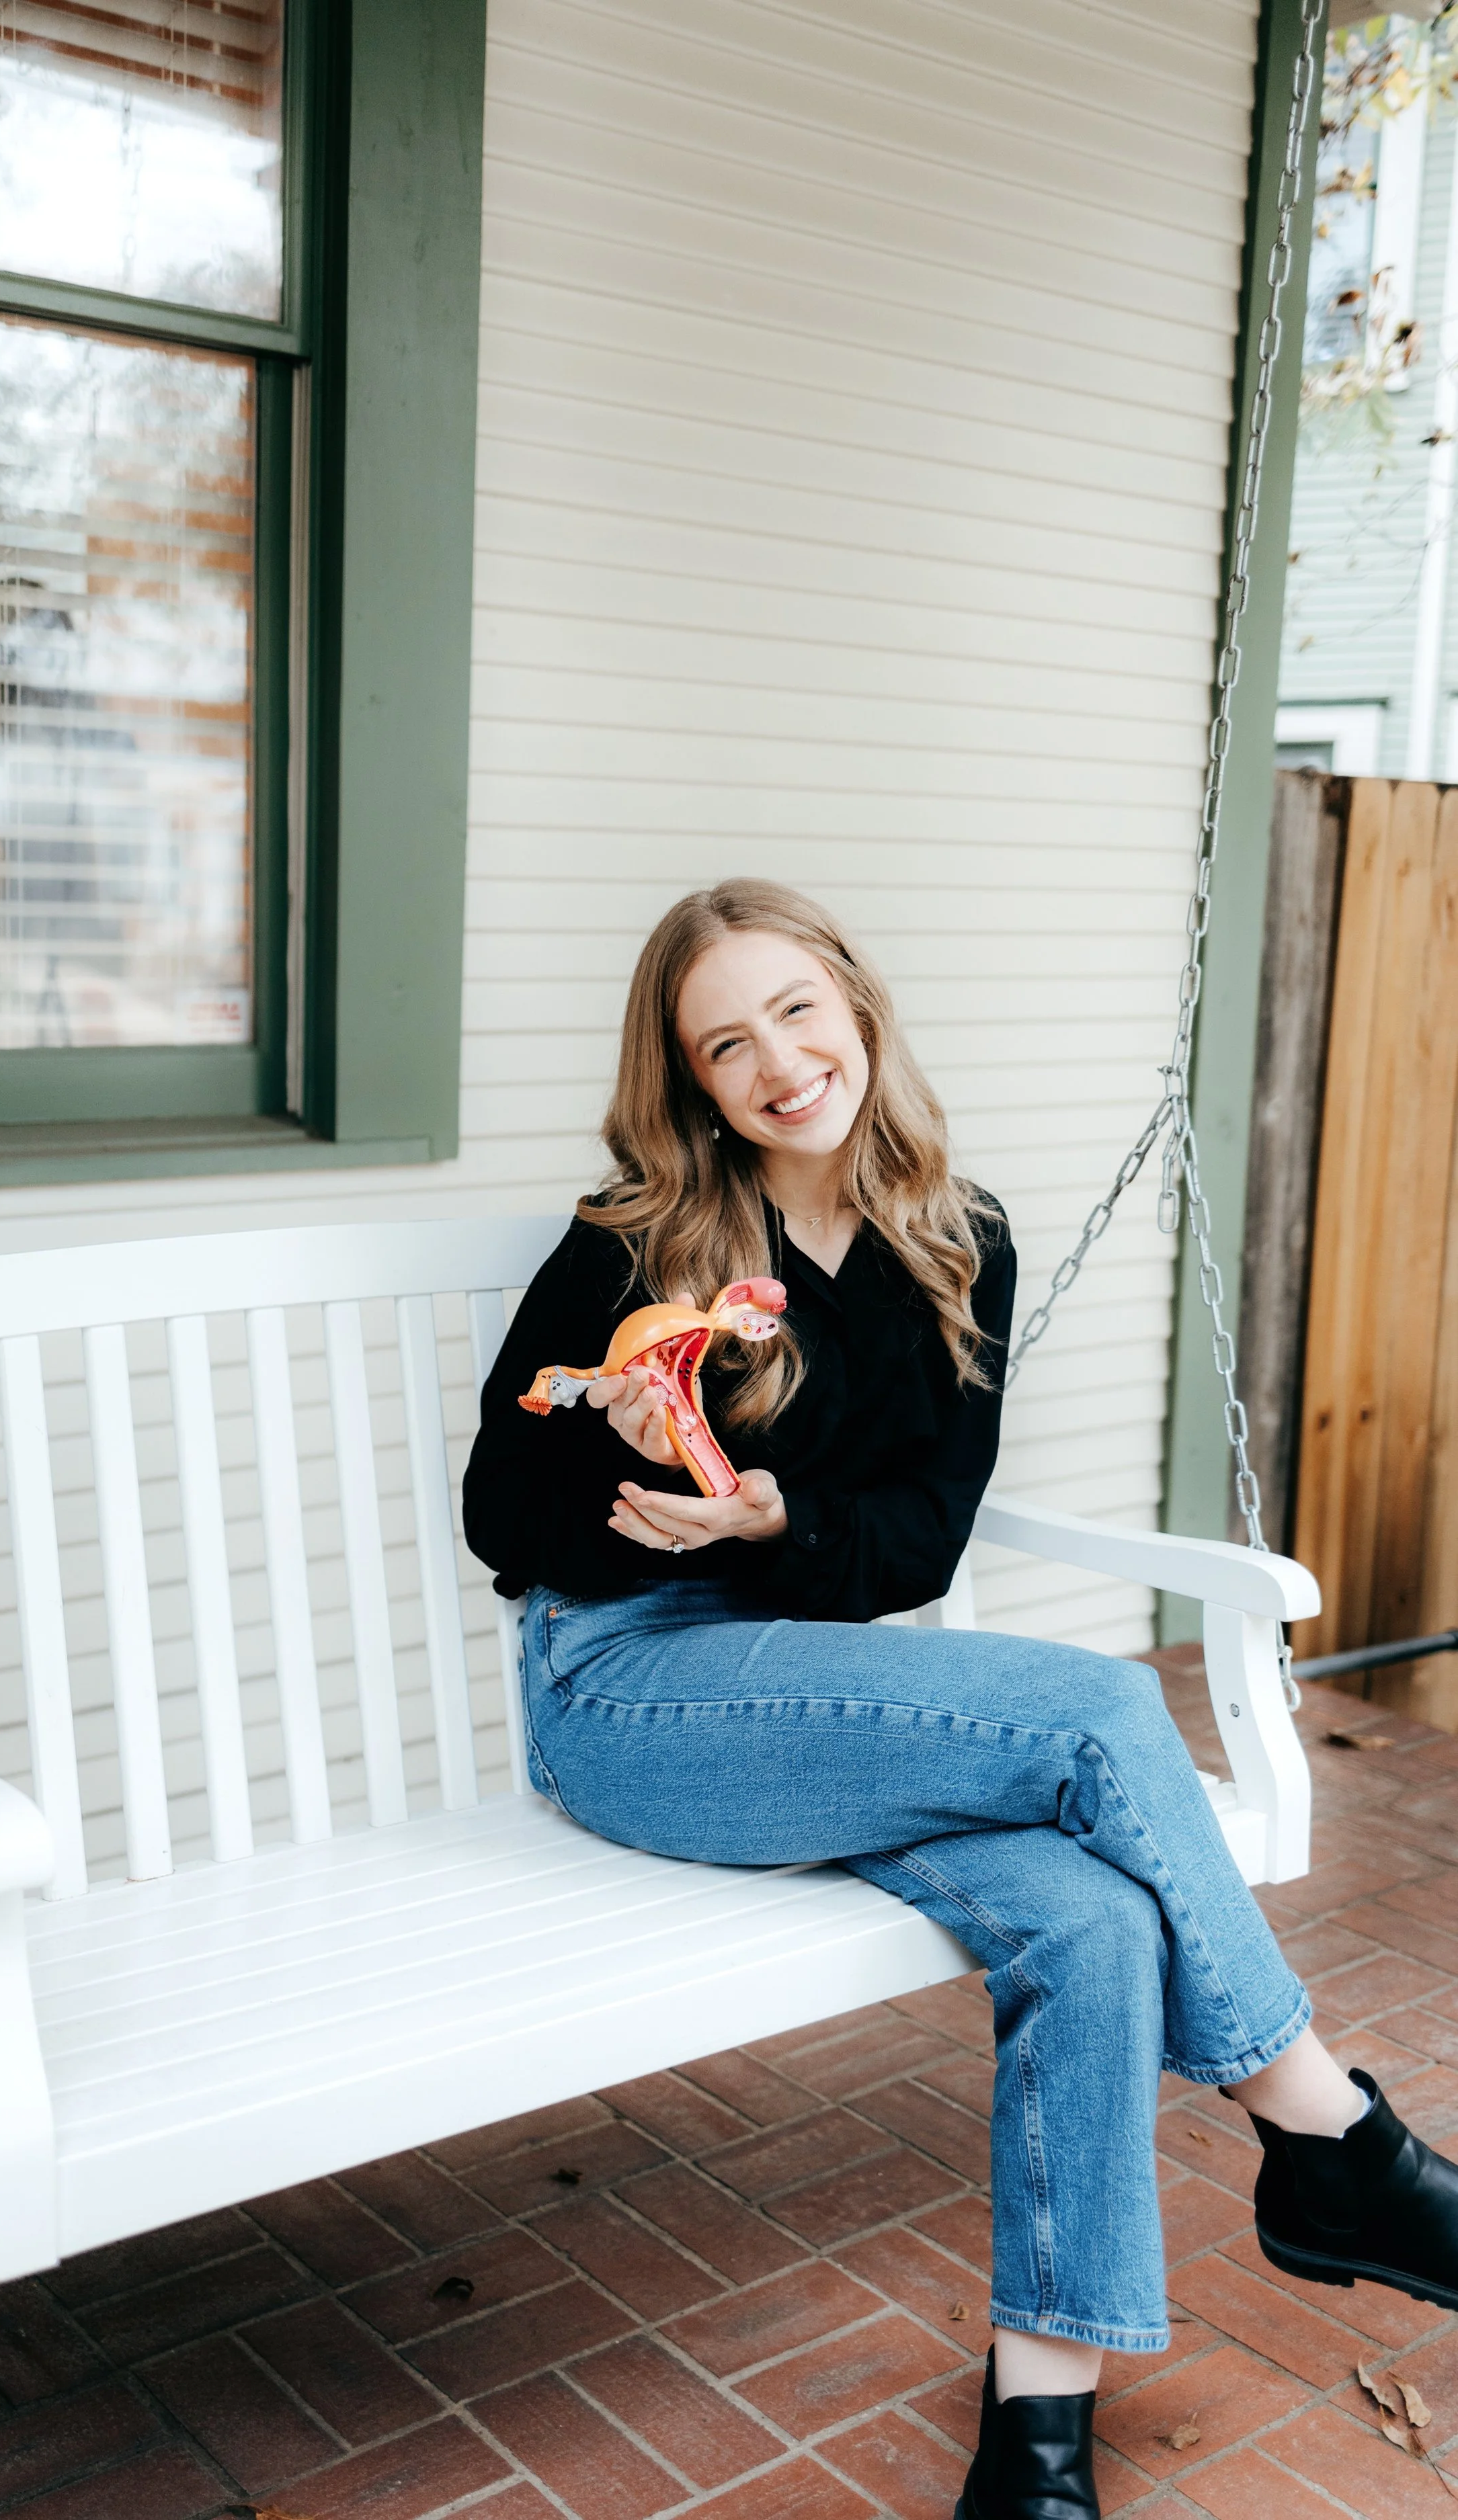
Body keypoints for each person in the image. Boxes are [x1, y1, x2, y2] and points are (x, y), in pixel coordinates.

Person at [462, 880, 1458, 2520]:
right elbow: (501, 1522)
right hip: (632, 1689)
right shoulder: (633, 1244)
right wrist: (618, 1459)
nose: (777, 1063)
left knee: (1090, 1927)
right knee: (1100, 1715)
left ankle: (1038, 2445)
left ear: (853, 1004)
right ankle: (1334, 2145)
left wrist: (777, 1520)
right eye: (726, 1043)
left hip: (825, 1682)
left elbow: (916, 1542)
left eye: (794, 1010)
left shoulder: (957, 1236)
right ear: (691, 1082)